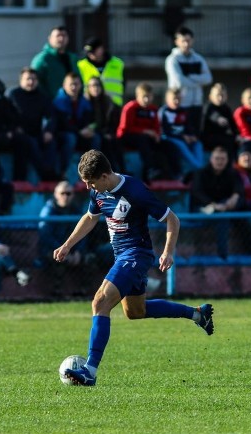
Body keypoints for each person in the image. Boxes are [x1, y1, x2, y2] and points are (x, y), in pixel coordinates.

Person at [55, 150, 214, 386]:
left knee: (100, 302)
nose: (89, 187)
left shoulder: (135, 191)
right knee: (135, 312)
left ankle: (90, 370)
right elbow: (91, 217)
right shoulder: (98, 191)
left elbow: (173, 219)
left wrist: (168, 251)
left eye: (91, 182)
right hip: (122, 256)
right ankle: (197, 314)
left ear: (106, 175)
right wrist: (68, 244)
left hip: (136, 255)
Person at [117, 82, 180, 182]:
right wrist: (145, 131)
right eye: (144, 97)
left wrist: (157, 135)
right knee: (143, 139)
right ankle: (150, 169)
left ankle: (176, 173)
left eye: (149, 97)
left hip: (147, 138)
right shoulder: (130, 108)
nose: (147, 100)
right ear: (138, 96)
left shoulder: (153, 109)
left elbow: (156, 128)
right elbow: (125, 129)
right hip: (128, 137)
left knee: (168, 145)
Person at [189, 146, 241, 258]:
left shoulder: (232, 173)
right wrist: (213, 204)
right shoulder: (201, 173)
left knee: (227, 215)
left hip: (223, 209)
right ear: (211, 159)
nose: (220, 162)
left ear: (227, 160)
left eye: (222, 159)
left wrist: (235, 197)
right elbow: (197, 193)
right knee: (221, 216)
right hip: (201, 209)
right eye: (217, 158)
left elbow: (238, 188)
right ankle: (222, 254)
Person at [7, 67, 57, 181]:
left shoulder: (42, 96)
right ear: (21, 80)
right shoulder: (13, 95)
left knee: (52, 142)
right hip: (19, 134)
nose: (31, 82)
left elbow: (51, 116)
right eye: (28, 79)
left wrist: (48, 131)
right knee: (29, 143)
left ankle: (50, 170)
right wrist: (15, 127)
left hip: (37, 132)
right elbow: (6, 115)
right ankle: (45, 174)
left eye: (34, 79)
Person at [53, 73, 101, 180]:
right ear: (64, 85)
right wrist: (79, 131)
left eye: (76, 84)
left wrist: (89, 129)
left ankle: (92, 171)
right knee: (70, 138)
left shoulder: (84, 102)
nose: (74, 87)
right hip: (63, 134)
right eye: (71, 84)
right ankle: (63, 172)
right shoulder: (58, 102)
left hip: (79, 133)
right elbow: (62, 125)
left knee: (96, 138)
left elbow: (89, 120)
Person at [165, 26, 213, 128]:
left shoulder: (198, 59)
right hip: (180, 104)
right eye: (183, 41)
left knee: (196, 134)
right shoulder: (172, 59)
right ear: (177, 41)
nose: (186, 44)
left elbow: (208, 78)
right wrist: (198, 81)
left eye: (188, 40)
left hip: (196, 103)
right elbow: (179, 82)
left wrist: (191, 76)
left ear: (192, 41)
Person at [158, 88, 205, 171]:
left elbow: (188, 127)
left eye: (179, 99)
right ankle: (199, 168)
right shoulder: (163, 112)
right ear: (167, 99)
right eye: (174, 99)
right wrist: (182, 137)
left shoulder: (183, 111)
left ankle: (200, 166)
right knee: (181, 144)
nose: (176, 101)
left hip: (183, 137)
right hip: (169, 138)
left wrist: (192, 136)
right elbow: (165, 131)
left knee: (198, 144)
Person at [85, 76, 124, 173]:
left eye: (97, 85)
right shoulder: (85, 103)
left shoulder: (108, 102)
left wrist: (110, 132)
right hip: (92, 133)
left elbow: (113, 121)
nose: (95, 88)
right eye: (92, 86)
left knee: (115, 141)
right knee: (101, 140)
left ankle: (121, 170)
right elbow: (88, 123)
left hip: (106, 131)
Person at [31, 26, 79, 96]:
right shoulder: (43, 59)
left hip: (72, 103)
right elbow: (35, 83)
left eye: (64, 35)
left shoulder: (72, 58)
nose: (61, 39)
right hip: (51, 104)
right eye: (58, 36)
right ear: (50, 39)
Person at [77, 37, 125, 107]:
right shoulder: (81, 65)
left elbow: (124, 84)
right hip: (89, 106)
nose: (90, 55)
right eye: (89, 53)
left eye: (93, 52)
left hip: (114, 106)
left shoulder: (118, 64)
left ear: (101, 49)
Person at [200, 83, 239, 160]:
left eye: (222, 95)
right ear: (211, 96)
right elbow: (212, 115)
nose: (220, 98)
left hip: (222, 137)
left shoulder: (226, 108)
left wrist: (237, 135)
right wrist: (218, 119)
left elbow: (232, 124)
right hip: (208, 138)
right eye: (218, 95)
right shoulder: (208, 107)